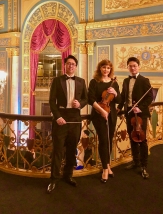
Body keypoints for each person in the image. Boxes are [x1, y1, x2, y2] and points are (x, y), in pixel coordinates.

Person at [47, 55, 88, 193]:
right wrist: (57, 116)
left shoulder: (82, 81)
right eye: (69, 63)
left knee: (71, 149)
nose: (71, 66)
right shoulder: (57, 81)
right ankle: (54, 179)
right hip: (61, 117)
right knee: (58, 150)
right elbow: (52, 101)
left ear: (76, 66)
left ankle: (68, 175)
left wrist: (80, 104)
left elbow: (86, 98)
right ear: (65, 65)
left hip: (75, 118)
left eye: (73, 64)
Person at [117, 57, 153, 179]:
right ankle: (135, 161)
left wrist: (141, 108)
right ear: (127, 67)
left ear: (138, 67)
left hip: (140, 114)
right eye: (130, 66)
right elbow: (123, 96)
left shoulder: (144, 80)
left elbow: (149, 98)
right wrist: (119, 107)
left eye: (134, 66)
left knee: (142, 140)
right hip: (129, 113)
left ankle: (144, 166)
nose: (132, 68)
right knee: (132, 138)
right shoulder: (126, 81)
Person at [88, 59, 121, 183]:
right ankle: (105, 169)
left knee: (109, 139)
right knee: (103, 140)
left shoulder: (114, 83)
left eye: (108, 68)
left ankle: (107, 165)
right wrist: (102, 111)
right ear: (100, 68)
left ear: (110, 70)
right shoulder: (94, 82)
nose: (106, 70)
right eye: (104, 67)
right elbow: (90, 98)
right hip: (98, 114)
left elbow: (119, 100)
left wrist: (116, 93)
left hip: (111, 114)